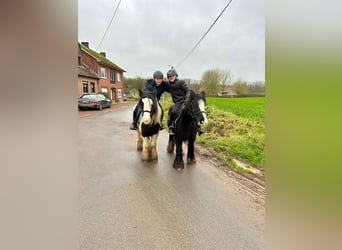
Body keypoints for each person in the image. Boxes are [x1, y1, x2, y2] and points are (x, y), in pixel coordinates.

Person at [165, 69, 204, 136]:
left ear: (176, 76)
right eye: (169, 77)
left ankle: (198, 128)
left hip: (185, 101)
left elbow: (188, 91)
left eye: (172, 76)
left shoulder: (181, 82)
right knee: (173, 111)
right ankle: (171, 126)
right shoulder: (168, 85)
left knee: (193, 111)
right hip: (177, 103)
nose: (171, 77)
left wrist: (187, 99)